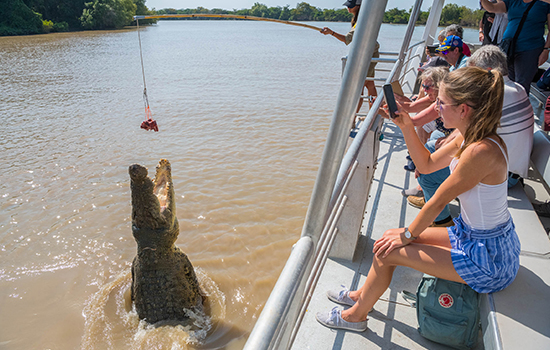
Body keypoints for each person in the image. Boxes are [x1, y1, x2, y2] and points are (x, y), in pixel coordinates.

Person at [316, 66, 520, 333]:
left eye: (441, 102)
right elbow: (425, 164)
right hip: (474, 236)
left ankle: (355, 317)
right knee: (386, 239)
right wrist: (406, 126)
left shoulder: (481, 151)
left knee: (390, 249)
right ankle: (360, 297)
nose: (436, 107)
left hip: (489, 257)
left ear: (463, 109)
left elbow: (436, 201)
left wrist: (409, 234)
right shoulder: (466, 135)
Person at [321, 0, 380, 112]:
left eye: (350, 6)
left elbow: (347, 39)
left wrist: (331, 32)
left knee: (359, 88)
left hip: (368, 54)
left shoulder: (361, 21)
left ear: (358, 7)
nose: (348, 8)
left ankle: (352, 119)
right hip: (370, 52)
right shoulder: (361, 18)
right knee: (369, 84)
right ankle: (374, 113)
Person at [481, 0, 550, 95]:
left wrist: (546, 50)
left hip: (530, 49)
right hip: (508, 48)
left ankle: (520, 108)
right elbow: (491, 8)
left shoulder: (544, 3)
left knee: (521, 86)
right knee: (505, 83)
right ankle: (509, 108)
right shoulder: (512, 2)